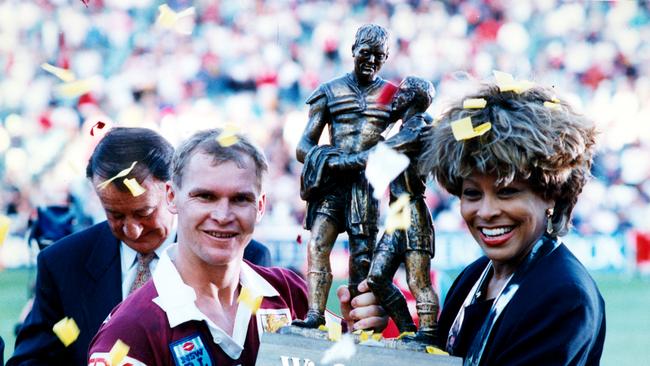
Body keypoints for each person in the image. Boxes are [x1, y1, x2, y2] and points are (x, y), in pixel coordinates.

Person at [88, 129, 387, 365]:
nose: (222, 215)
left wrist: (359, 332)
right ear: (171, 197)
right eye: (204, 196)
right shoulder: (128, 333)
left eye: (240, 199)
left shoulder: (292, 296)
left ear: (260, 206)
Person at [9, 128, 270, 366]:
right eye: (115, 215)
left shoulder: (242, 255)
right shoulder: (62, 263)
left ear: (172, 192)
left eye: (144, 212)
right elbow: (32, 361)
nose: (132, 229)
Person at [422, 83, 606, 364]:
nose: (486, 211)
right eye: (472, 193)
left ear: (552, 194)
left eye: (507, 191)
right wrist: (388, 328)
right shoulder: (472, 277)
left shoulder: (565, 296)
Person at [293, 23, 395, 328]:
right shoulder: (330, 91)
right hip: (333, 182)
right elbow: (303, 146)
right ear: (353, 51)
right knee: (317, 244)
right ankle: (315, 315)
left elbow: (412, 134)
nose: (372, 61)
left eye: (379, 56)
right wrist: (329, 158)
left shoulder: (392, 94)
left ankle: (358, 325)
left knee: (363, 255)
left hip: (365, 186)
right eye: (366, 53)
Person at [329, 76, 440, 344]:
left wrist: (341, 161)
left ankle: (427, 334)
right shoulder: (407, 127)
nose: (395, 98)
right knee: (377, 277)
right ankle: (408, 331)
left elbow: (378, 153)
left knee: (418, 281)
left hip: (413, 211)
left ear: (413, 98)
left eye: (401, 94)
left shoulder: (417, 129)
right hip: (397, 213)